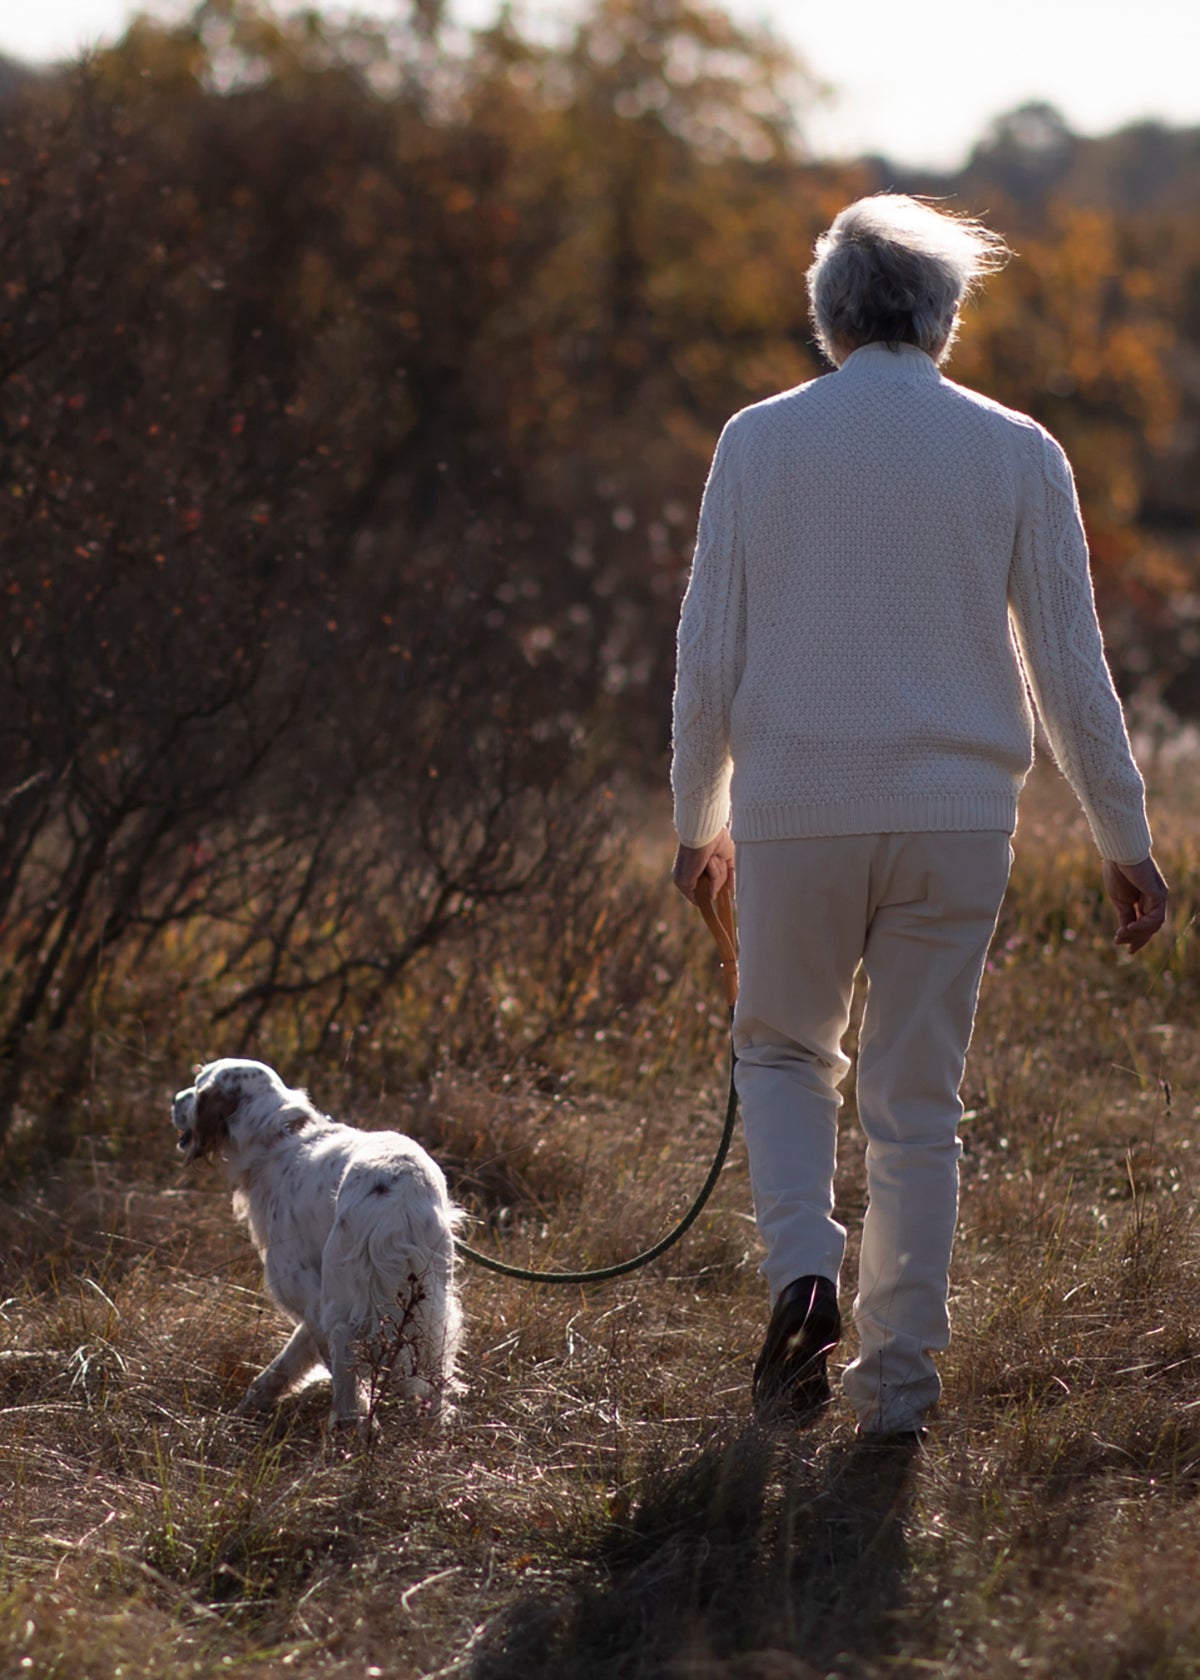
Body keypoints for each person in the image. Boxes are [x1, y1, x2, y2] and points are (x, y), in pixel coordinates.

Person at [669, 194, 1168, 1440]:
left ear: (828, 315)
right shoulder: (1016, 449)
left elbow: (707, 653)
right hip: (957, 822)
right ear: (944, 318)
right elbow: (1071, 671)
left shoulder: (757, 441)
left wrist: (696, 819)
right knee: (917, 1104)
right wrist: (1126, 842)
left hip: (793, 812)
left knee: (782, 1051)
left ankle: (800, 1268)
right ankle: (896, 1393)